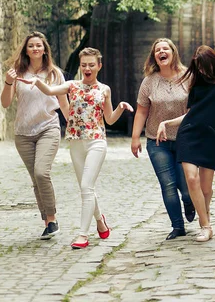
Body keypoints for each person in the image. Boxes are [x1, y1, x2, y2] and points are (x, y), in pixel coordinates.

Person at [19, 47, 134, 249]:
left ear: (99, 66)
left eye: (91, 65)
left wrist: (120, 108)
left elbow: (109, 119)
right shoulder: (71, 85)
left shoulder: (104, 89)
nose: (87, 68)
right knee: (86, 186)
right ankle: (100, 220)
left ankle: (83, 235)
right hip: (75, 142)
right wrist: (36, 82)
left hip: (97, 141)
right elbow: (50, 91)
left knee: (86, 187)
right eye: (84, 65)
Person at [157, 20, 215, 243]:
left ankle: (205, 213)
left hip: (212, 138)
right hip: (189, 135)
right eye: (197, 64)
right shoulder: (195, 86)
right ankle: (206, 225)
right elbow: (190, 114)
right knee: (191, 179)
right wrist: (167, 123)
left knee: (206, 187)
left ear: (211, 63)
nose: (200, 69)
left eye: (203, 64)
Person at [0, 32, 69, 240]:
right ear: (26, 50)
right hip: (23, 133)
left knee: (41, 172)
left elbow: (63, 102)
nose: (35, 49)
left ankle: (52, 219)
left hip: (48, 128)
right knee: (35, 179)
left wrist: (75, 127)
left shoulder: (54, 73)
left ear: (45, 49)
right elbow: (5, 103)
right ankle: (47, 222)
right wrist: (8, 82)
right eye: (31, 46)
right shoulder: (17, 73)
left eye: (39, 45)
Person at [131, 38, 195, 241]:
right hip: (157, 141)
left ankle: (189, 201)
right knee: (168, 184)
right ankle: (177, 226)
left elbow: (196, 108)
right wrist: (135, 138)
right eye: (157, 50)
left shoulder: (188, 76)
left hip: (185, 139)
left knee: (185, 188)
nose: (161, 52)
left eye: (165, 48)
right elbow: (141, 111)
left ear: (173, 52)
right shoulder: (149, 82)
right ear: (154, 57)